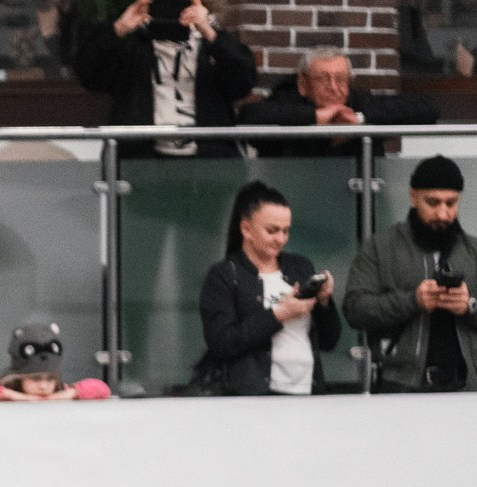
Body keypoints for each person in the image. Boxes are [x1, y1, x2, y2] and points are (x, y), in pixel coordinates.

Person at [343, 155, 477, 393]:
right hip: (401, 384)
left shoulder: (473, 250)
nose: (443, 214)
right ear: (413, 197)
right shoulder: (380, 247)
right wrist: (413, 300)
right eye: (433, 203)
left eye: (451, 203)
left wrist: (469, 306)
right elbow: (355, 309)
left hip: (467, 386)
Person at [195, 181, 341, 396]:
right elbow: (222, 342)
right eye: (272, 230)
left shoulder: (299, 267)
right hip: (254, 396)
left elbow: (329, 340)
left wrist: (325, 301)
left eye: (286, 231)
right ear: (246, 229)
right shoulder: (224, 275)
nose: (280, 239)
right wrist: (279, 314)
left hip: (306, 390)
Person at [71, 0, 257, 158]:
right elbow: (90, 76)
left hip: (208, 160)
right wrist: (119, 29)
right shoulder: (132, 41)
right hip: (141, 160)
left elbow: (244, 83)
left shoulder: (214, 40)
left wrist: (210, 33)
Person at [237, 49, 437, 157]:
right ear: (303, 84)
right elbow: (249, 117)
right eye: (323, 79)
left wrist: (358, 119)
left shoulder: (359, 101)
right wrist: (316, 117)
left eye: (341, 79)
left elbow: (428, 108)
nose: (334, 87)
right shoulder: (285, 100)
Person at [0, 323, 113, 401]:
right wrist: (15, 396)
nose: (44, 385)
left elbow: (102, 389)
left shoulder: (59, 392)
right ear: (19, 378)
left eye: (50, 379)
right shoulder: (7, 393)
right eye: (36, 378)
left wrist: (70, 393)